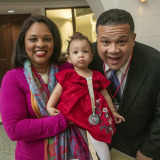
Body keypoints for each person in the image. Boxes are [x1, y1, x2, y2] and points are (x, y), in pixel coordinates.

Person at [0, 15, 91, 160]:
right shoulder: (13, 78)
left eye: (47, 39)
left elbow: (88, 100)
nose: (40, 44)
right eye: (33, 39)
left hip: (74, 154)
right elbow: (15, 129)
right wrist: (66, 120)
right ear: (23, 44)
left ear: (54, 43)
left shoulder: (69, 69)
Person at [88, 8, 160, 160]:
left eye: (121, 41)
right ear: (97, 38)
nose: (113, 50)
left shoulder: (155, 64)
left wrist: (148, 151)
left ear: (133, 38)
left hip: (145, 149)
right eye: (105, 42)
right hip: (106, 149)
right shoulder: (87, 60)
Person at [46, 32, 125, 160]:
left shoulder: (97, 75)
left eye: (85, 51)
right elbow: (57, 92)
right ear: (69, 58)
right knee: (80, 143)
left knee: (98, 139)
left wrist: (113, 112)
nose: (81, 55)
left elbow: (106, 95)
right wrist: (50, 106)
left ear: (92, 56)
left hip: (94, 115)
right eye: (76, 52)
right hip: (75, 115)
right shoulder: (67, 75)